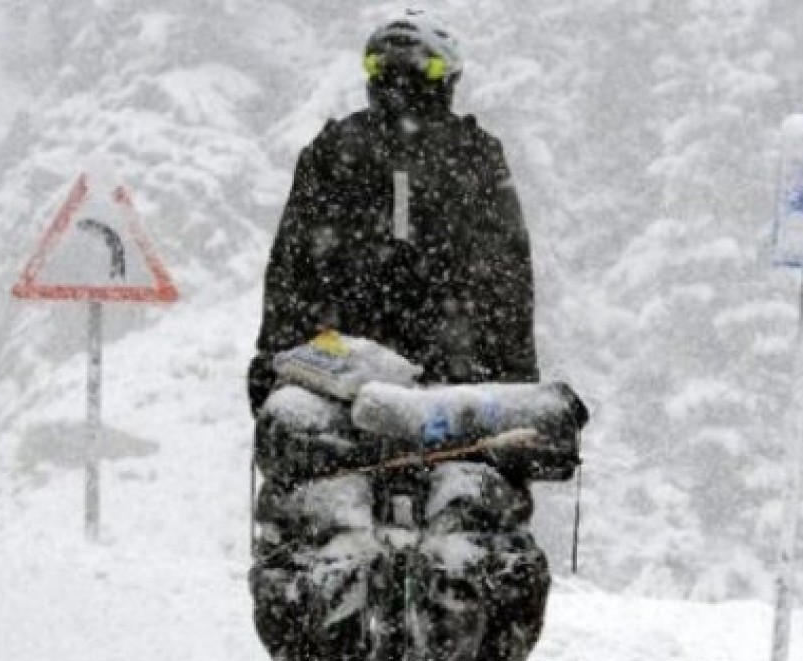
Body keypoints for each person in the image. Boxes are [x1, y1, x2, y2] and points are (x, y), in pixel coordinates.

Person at [246, 10, 575, 661]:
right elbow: (509, 281)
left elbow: (291, 272)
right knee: (480, 533)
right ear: (448, 79)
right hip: (456, 393)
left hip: (338, 391)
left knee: (311, 530)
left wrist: (273, 365)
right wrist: (513, 383)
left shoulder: (334, 151)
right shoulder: (477, 157)